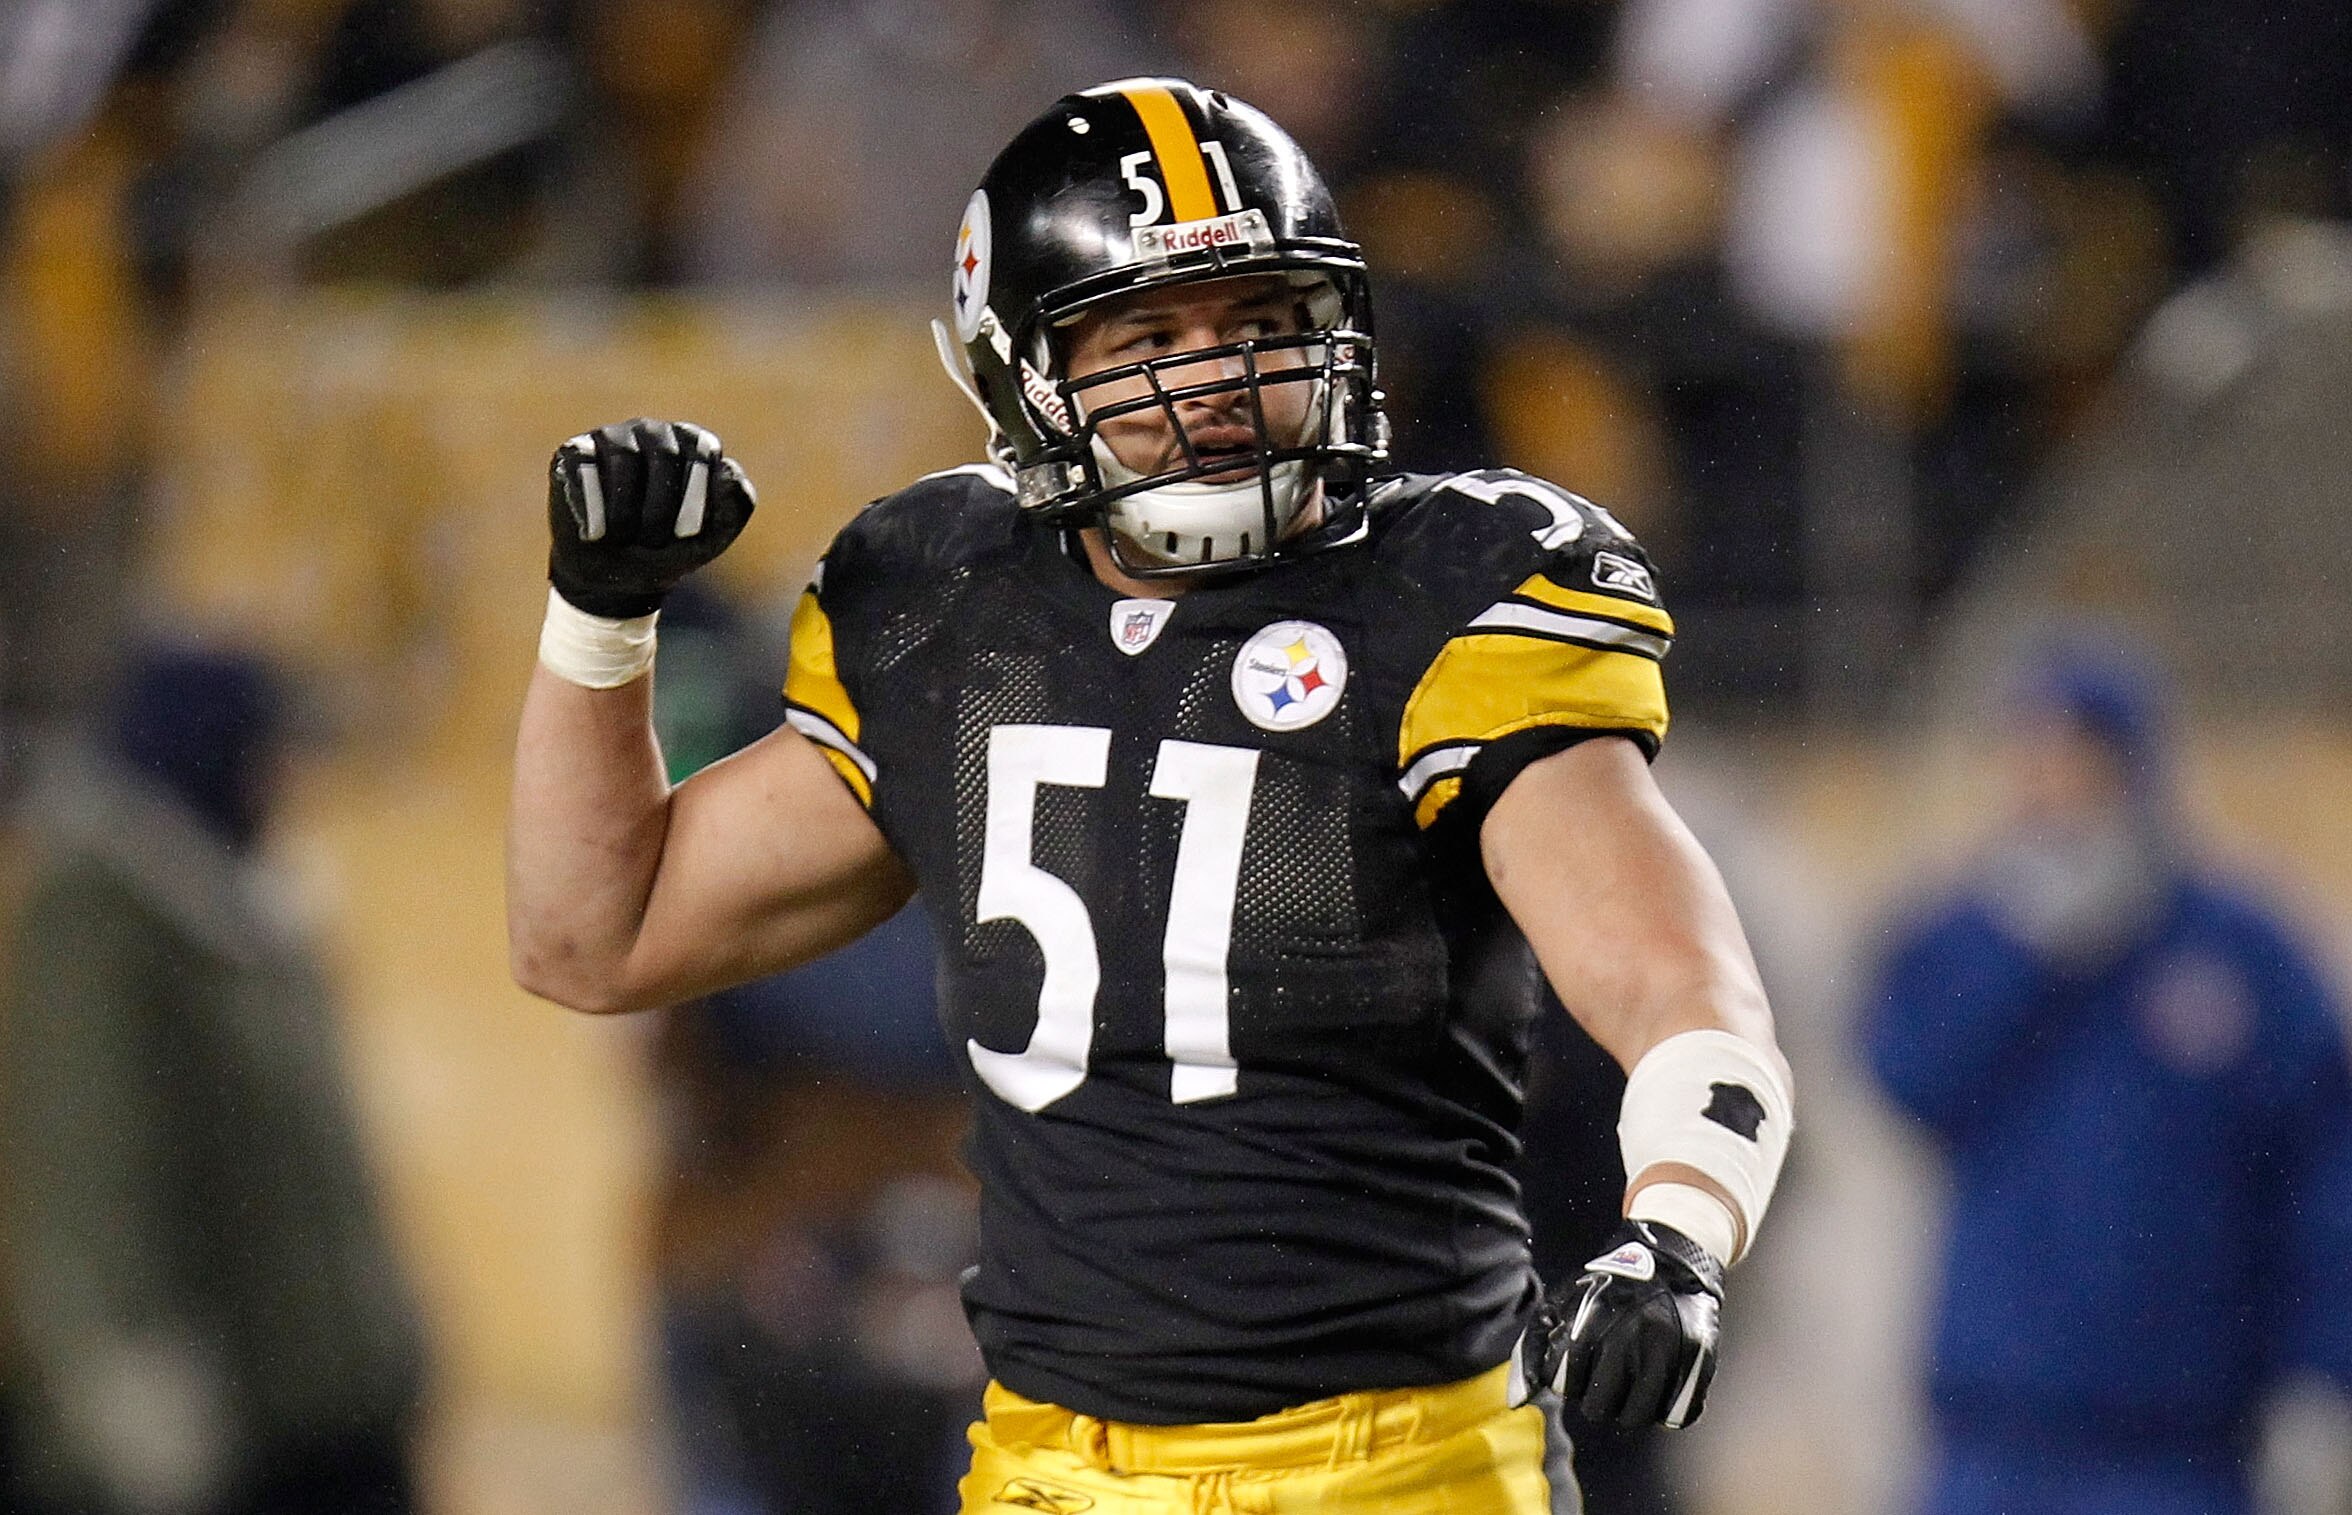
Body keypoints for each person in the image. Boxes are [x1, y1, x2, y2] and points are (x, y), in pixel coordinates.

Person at [509, 78, 1794, 1513]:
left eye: (1259, 326)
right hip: (1053, 1464)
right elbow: (590, 935)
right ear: (1027, 371)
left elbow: (1681, 986)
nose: (1219, 384)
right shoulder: (948, 609)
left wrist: (1676, 1229)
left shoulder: (1450, 600)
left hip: (1392, 1463)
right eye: (1151, 340)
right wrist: (596, 623)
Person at [1862, 636, 2352, 1515]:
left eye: (2073, 753)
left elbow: (2323, 1175)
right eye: (2028, 753)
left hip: (2182, 1441)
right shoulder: (1972, 931)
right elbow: (1908, 1074)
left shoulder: (2238, 947)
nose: (2046, 782)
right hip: (1992, 1428)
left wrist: (2326, 1374)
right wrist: (2026, 951)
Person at [2, 643, 427, 1515]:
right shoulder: (98, 917)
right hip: (225, 1448)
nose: (286, 780)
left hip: (324, 1417)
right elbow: (90, 1165)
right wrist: (140, 1401)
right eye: (268, 753)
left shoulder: (242, 907)